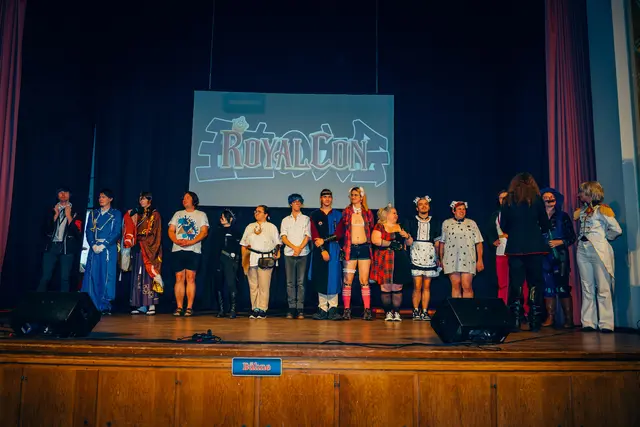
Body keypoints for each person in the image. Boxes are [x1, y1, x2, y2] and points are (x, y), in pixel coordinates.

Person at [500, 173, 550, 332]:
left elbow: (503, 225)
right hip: (534, 246)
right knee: (535, 282)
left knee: (516, 282)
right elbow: (545, 224)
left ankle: (515, 318)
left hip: (515, 247)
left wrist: (514, 230)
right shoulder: (536, 199)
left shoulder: (508, 200)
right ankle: (535, 319)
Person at [319, 187, 375, 320]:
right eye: (352, 195)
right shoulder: (346, 212)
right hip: (350, 249)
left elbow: (371, 228)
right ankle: (346, 310)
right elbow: (341, 231)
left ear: (361, 197)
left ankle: (367, 310)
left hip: (364, 248)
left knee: (364, 280)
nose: (353, 197)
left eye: (356, 195)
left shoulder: (367, 213)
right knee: (347, 281)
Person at [575, 181, 622, 333]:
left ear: (590, 193)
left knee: (603, 287)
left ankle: (606, 323)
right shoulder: (583, 211)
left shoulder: (603, 210)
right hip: (582, 249)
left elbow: (616, 230)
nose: (579, 195)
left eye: (582, 192)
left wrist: (603, 238)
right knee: (587, 287)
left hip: (598, 250)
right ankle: (588, 322)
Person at [540, 188, 577, 328]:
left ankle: (569, 319)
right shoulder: (538, 218)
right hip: (544, 256)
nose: (549, 199)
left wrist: (560, 241)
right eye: (545, 197)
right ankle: (550, 317)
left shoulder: (563, 216)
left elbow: (572, 237)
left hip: (560, 256)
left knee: (562, 287)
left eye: (551, 196)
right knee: (548, 287)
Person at [168, 191, 209, 317]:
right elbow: (171, 230)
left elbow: (204, 232)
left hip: (193, 249)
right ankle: (179, 307)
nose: (184, 200)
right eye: (183, 198)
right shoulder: (178, 214)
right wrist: (176, 241)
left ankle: (189, 307)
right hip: (178, 249)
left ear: (193, 200)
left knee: (190, 278)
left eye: (187, 198)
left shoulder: (201, 214)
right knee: (179, 277)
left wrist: (191, 242)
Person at [81, 189, 122, 314]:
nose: (100, 199)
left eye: (103, 197)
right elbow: (88, 230)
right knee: (92, 275)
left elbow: (116, 232)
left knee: (106, 275)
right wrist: (93, 244)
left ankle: (104, 305)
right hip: (94, 248)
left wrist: (104, 244)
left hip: (108, 248)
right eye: (99, 197)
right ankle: (91, 304)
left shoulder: (115, 214)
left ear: (110, 199)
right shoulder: (94, 214)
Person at [371, 204, 412, 321]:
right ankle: (388, 312)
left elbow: (409, 243)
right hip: (385, 258)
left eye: (397, 213)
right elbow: (375, 240)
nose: (396, 215)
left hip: (400, 258)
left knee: (398, 286)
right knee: (386, 287)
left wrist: (407, 236)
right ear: (387, 214)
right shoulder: (380, 226)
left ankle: (397, 312)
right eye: (394, 213)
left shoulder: (400, 226)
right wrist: (390, 243)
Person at [38, 187, 83, 292]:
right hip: (52, 246)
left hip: (67, 247)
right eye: (60, 192)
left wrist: (69, 216)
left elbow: (78, 233)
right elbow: (45, 230)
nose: (63, 194)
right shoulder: (51, 209)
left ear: (70, 194)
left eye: (66, 192)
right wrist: (55, 216)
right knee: (45, 277)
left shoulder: (76, 211)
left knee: (65, 278)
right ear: (57, 195)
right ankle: (38, 300)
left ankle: (64, 302)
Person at [403, 196, 441, 321]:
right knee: (417, 285)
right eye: (421, 204)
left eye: (426, 204)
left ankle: (424, 311)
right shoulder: (410, 221)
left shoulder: (435, 222)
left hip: (429, 253)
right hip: (416, 251)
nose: (423, 206)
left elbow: (437, 242)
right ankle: (415, 310)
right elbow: (407, 241)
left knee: (427, 286)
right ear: (417, 208)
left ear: (429, 207)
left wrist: (439, 257)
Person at [125, 192, 163, 316]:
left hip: (149, 247)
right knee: (138, 275)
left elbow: (155, 233)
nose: (141, 201)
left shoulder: (155, 215)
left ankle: (151, 304)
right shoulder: (138, 214)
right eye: (140, 199)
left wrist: (147, 243)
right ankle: (140, 304)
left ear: (149, 200)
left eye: (144, 199)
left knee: (148, 275)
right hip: (139, 247)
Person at [240, 205, 281, 319]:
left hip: (265, 258)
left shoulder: (271, 227)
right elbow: (243, 244)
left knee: (264, 285)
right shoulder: (250, 227)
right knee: (253, 285)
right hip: (251, 257)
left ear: (266, 214)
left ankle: (263, 308)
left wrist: (277, 253)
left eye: (259, 211)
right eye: (255, 211)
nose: (256, 213)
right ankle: (255, 308)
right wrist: (244, 259)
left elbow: (277, 243)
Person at [309, 189, 343, 320]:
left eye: (329, 197)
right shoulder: (315, 215)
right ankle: (322, 308)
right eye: (324, 197)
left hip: (334, 249)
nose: (327, 199)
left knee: (333, 278)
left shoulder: (338, 215)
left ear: (332, 199)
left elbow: (339, 233)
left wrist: (325, 241)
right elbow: (314, 234)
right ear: (320, 199)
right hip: (319, 250)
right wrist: (323, 249)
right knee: (321, 278)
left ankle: (333, 308)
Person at [439, 201, 484, 298]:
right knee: (455, 285)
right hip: (451, 259)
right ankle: (457, 307)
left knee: (466, 285)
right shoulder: (446, 223)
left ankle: (467, 307)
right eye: (459, 209)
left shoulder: (471, 223)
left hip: (468, 258)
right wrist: (441, 259)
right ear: (453, 211)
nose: (462, 211)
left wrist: (480, 260)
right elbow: (442, 242)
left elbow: (479, 242)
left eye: (463, 209)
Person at [280, 193, 311, 319]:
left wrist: (299, 248)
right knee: (290, 282)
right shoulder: (285, 220)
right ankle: (291, 307)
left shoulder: (306, 219)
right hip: (289, 253)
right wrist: (294, 248)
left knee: (301, 282)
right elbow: (283, 237)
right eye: (294, 202)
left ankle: (300, 308)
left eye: (299, 202)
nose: (297, 203)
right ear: (290, 204)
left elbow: (307, 236)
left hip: (303, 253)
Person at [211, 208, 242, 318]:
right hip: (218, 260)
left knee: (231, 284)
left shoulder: (236, 232)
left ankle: (233, 309)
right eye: (221, 217)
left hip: (230, 260)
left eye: (224, 217)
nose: (222, 219)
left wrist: (236, 259)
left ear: (230, 218)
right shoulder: (216, 232)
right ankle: (221, 309)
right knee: (219, 284)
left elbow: (239, 248)